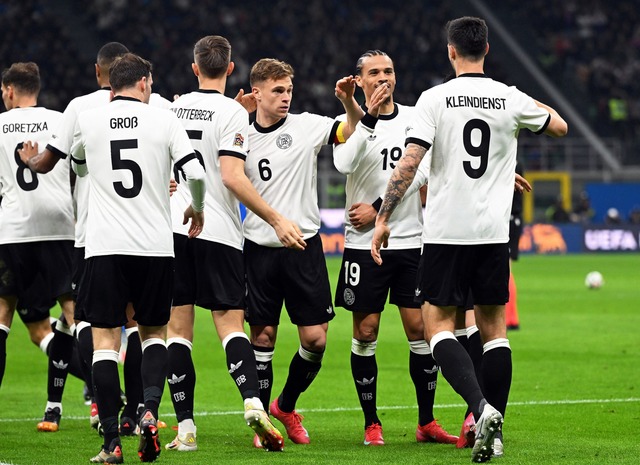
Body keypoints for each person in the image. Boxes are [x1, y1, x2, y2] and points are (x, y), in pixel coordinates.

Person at [371, 16, 568, 462]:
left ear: (450, 51)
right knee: (494, 331)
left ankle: (480, 410)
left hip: (445, 233)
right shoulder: (509, 97)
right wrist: (514, 106)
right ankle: (495, 429)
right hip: (492, 235)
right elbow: (559, 126)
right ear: (487, 49)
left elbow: (411, 162)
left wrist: (383, 217)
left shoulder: (433, 98)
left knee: (437, 325)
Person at [19, 42, 169, 435]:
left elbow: (49, 162)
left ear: (98, 72)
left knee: (87, 323)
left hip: (92, 234)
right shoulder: (156, 108)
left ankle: (101, 405)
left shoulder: (79, 109)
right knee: (141, 327)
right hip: (148, 236)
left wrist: (28, 161)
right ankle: (139, 413)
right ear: (138, 80)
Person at [70, 53, 206, 463]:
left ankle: (111, 442)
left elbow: (77, 164)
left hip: (105, 247)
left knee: (105, 344)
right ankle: (148, 409)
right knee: (152, 335)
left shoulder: (89, 120)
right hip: (153, 248)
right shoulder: (163, 119)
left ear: (111, 85)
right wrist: (196, 207)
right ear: (145, 83)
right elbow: (195, 174)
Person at [165, 35, 285, 452]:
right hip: (218, 231)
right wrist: (273, 217)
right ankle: (253, 402)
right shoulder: (234, 112)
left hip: (175, 230)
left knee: (178, 332)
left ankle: (185, 430)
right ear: (231, 68)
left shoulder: (170, 108)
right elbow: (232, 175)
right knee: (230, 325)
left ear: (194, 67)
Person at [332, 50, 457, 446]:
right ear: (359, 80)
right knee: (366, 331)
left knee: (420, 330)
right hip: (362, 246)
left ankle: (426, 421)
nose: (383, 77)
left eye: (389, 70)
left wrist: (379, 208)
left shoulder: (414, 118)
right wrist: (364, 115)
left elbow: (425, 169)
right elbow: (343, 163)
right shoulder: (346, 122)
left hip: (411, 243)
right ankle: (372, 422)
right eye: (374, 72)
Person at [243, 58, 361, 445]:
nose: (286, 97)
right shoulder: (238, 134)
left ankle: (286, 405)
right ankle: (264, 424)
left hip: (304, 247)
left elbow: (352, 131)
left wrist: (348, 102)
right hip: (258, 248)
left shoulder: (307, 125)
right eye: (278, 90)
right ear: (256, 92)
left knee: (315, 340)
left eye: (289, 90)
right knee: (262, 339)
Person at [0, 62, 77, 432]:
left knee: (2, 320)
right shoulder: (60, 121)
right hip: (61, 228)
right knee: (75, 318)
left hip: (13, 232)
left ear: (10, 90)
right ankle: (102, 395)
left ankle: (80, 396)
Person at [505, 161, 524, 330]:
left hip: (508, 219)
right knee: (505, 269)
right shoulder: (515, 158)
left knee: (506, 270)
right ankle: (510, 317)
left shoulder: (511, 159)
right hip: (511, 218)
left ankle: (511, 318)